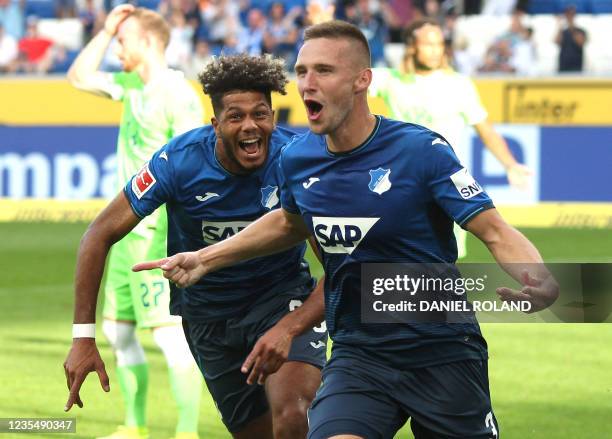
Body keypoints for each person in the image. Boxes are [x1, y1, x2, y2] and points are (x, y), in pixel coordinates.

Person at [135, 20, 559, 439]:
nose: (307, 84)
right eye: (301, 72)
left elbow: (494, 230)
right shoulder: (297, 160)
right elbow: (288, 222)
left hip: (442, 351)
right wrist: (205, 259)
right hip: (359, 354)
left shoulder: (421, 151)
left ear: (362, 80)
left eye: (324, 71)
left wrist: (536, 276)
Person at [64, 54, 327, 439]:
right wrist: (83, 337)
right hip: (209, 319)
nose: (251, 126)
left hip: (281, 299)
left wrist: (291, 325)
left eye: (261, 114)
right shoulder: (178, 162)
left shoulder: (299, 158)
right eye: (236, 117)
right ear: (215, 124)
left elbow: (340, 266)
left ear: (273, 115)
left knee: (294, 417)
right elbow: (97, 235)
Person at [66, 5, 205, 439]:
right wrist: (107, 30)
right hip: (124, 237)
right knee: (118, 333)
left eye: (124, 40)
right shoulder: (130, 86)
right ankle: (135, 424)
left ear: (147, 42)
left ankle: (187, 431)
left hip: (157, 234)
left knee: (168, 337)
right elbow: (78, 77)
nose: (118, 49)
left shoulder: (177, 93)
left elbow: (192, 164)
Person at [369, 18, 532, 258]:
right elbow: (347, 75)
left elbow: (485, 128)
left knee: (445, 259)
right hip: (403, 181)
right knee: (399, 258)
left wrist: (510, 164)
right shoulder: (391, 80)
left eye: (439, 44)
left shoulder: (459, 84)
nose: (435, 50)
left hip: (449, 183)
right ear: (412, 47)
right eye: (428, 44)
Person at [555, 4, 587, 73]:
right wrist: (559, 26)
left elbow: (580, 42)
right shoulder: (563, 31)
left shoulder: (581, 31)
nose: (569, 17)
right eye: (568, 15)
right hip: (563, 66)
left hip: (576, 66)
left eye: (571, 14)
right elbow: (556, 41)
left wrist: (571, 26)